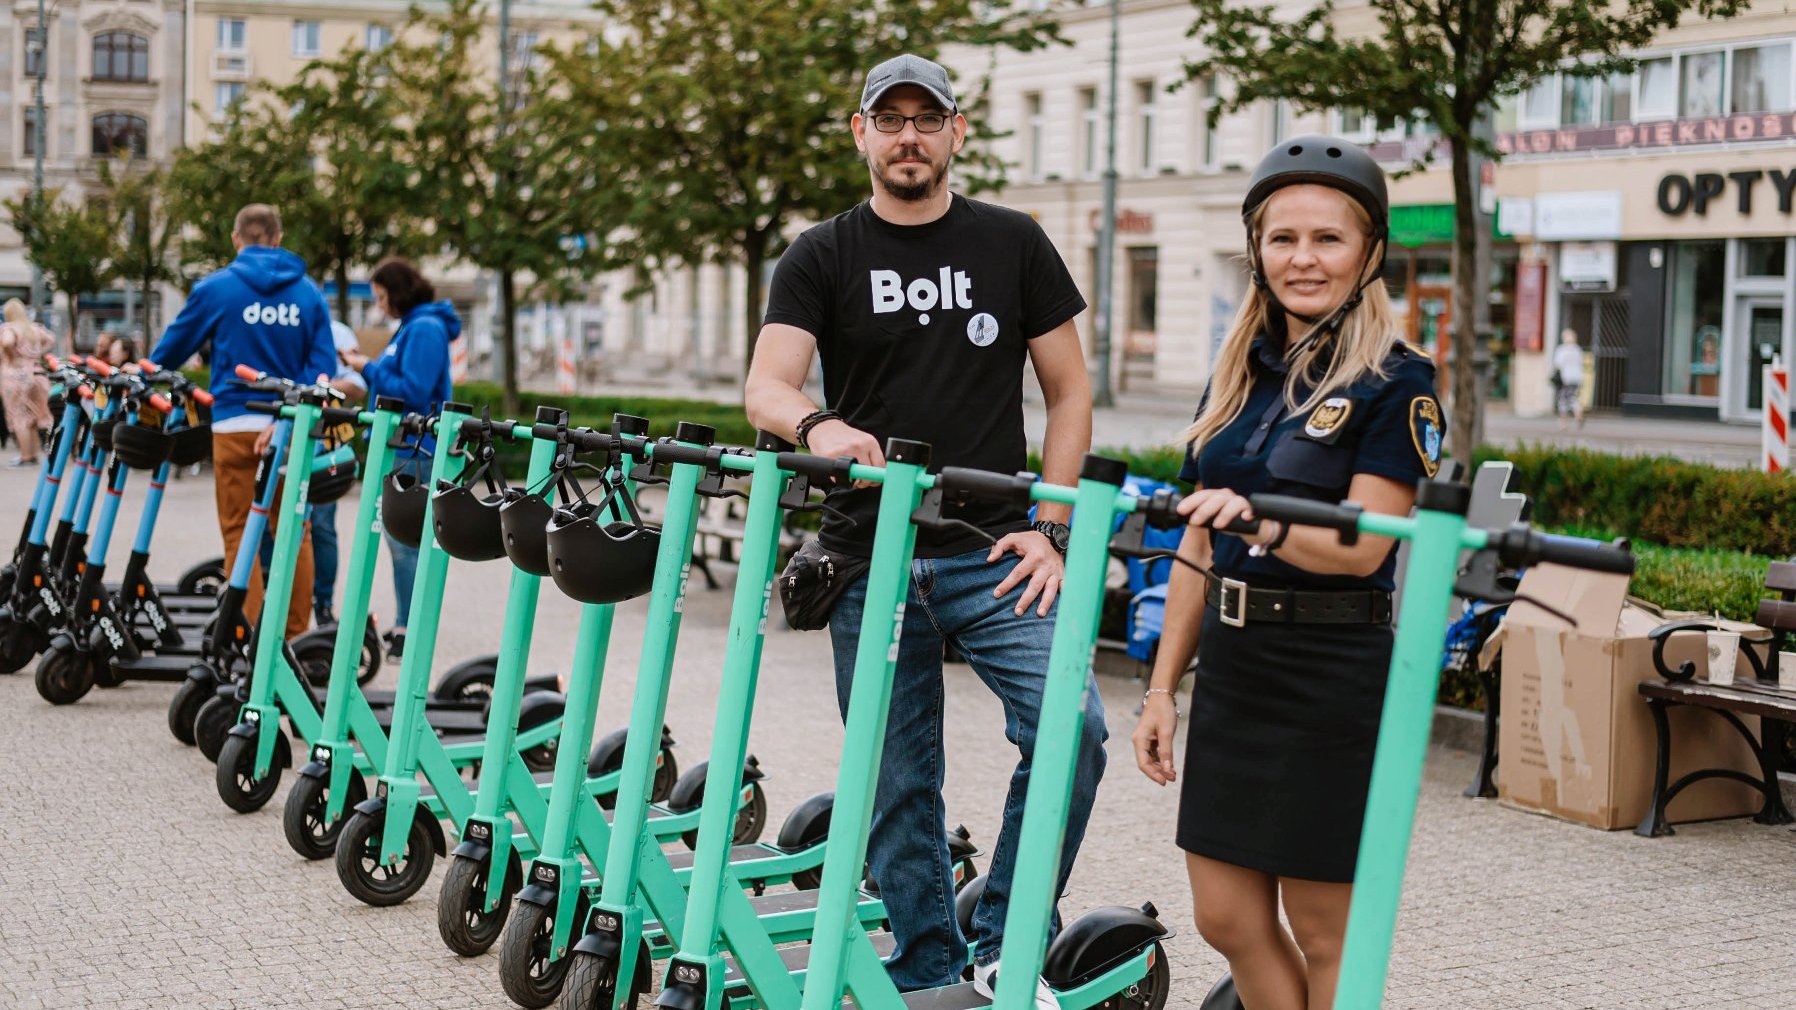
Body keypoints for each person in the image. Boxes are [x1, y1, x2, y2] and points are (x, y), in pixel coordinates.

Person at [743, 54, 1101, 1007]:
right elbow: (766, 386)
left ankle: (1003, 940)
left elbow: (1069, 393)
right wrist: (823, 428)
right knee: (899, 782)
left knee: (1073, 729)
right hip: (873, 554)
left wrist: (1052, 526)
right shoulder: (822, 253)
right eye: (889, 119)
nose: (910, 136)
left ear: (957, 132)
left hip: (996, 553)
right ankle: (932, 968)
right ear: (860, 132)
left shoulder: (1014, 242)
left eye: (926, 119)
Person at [1129, 136, 1445, 1010]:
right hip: (1236, 666)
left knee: (1325, 927)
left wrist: (1260, 519)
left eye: (1328, 239)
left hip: (1330, 677)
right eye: (1283, 239)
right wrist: (1163, 689)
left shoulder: (1399, 383)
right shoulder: (1236, 379)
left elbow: (1367, 546)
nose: (1303, 259)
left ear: (1369, 253)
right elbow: (1197, 543)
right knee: (1225, 917)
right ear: (1257, 250)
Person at [149, 203, 337, 642]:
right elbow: (323, 366)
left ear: (237, 239)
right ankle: (294, 638)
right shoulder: (308, 294)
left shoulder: (216, 289)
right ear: (278, 237)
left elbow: (168, 353)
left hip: (233, 424)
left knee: (239, 532)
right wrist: (292, 413)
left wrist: (145, 373)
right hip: (289, 425)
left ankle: (247, 634)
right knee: (295, 531)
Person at [338, 257, 455, 661]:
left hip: (414, 450)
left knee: (406, 541)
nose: (380, 306)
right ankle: (408, 623)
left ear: (400, 292)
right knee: (401, 539)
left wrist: (366, 367)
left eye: (383, 297)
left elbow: (415, 392)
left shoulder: (423, 329)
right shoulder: (413, 327)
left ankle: (410, 628)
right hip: (402, 448)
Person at [306, 318, 369, 628]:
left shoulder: (336, 331)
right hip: (279, 431)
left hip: (322, 438)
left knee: (321, 525)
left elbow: (358, 385)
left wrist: (319, 388)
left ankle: (322, 604)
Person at [0, 299, 54, 467]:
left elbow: (7, 342)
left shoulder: (9, 328)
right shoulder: (34, 329)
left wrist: (14, 356)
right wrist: (36, 355)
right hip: (37, 373)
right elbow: (51, 340)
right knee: (32, 417)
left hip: (15, 375)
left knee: (19, 416)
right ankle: (32, 455)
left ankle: (25, 456)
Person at [1553, 327, 1585, 430]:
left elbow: (1557, 364)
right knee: (1573, 397)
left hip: (1565, 378)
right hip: (1576, 378)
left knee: (1562, 399)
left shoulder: (1562, 350)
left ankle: (1563, 423)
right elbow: (1581, 363)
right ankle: (1578, 412)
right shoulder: (1578, 350)